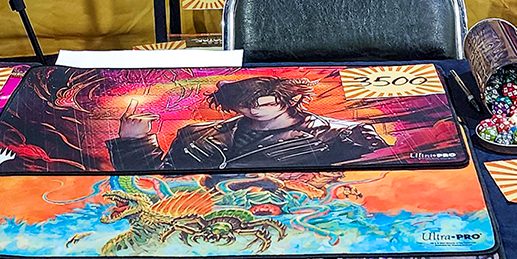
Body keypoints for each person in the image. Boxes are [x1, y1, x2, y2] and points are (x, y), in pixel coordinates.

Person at [106, 75, 387, 170]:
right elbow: (155, 182)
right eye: (244, 103)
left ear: (291, 99)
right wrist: (134, 141)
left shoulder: (342, 136)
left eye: (265, 101)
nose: (254, 108)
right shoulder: (193, 135)